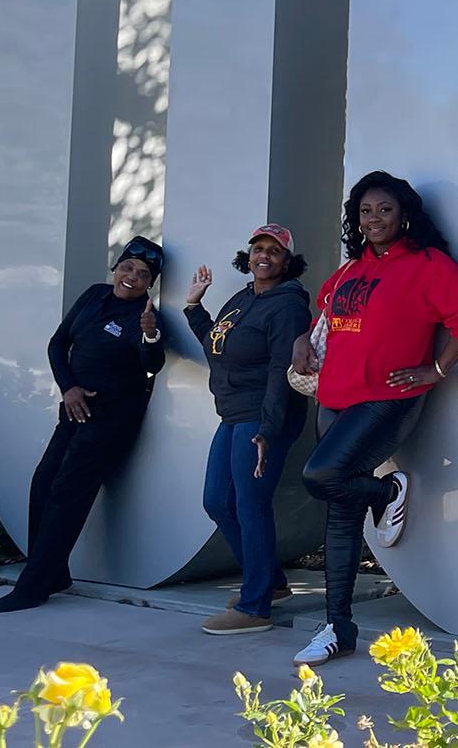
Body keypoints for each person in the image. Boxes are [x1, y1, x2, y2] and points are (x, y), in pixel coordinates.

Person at [289, 171, 458, 666]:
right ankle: (338, 628)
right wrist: (300, 342)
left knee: (321, 475)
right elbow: (326, 312)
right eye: (364, 211)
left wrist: (436, 368)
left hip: (386, 398)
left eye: (384, 209)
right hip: (334, 397)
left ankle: (387, 491)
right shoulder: (353, 268)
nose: (373, 219)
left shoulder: (426, 265)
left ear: (404, 215)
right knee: (339, 514)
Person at [0, 236, 166, 614]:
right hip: (74, 407)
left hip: (112, 418)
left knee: (67, 493)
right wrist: (69, 389)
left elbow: (153, 363)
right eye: (127, 267)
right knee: (43, 481)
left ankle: (32, 588)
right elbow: (57, 343)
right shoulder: (94, 296)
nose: (132, 277)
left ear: (150, 284)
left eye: (143, 275)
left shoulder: (145, 317)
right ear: (116, 268)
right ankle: (53, 572)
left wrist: (149, 333)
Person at [184, 223, 313, 636]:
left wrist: (269, 431)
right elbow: (217, 346)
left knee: (249, 503)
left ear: (287, 261)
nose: (264, 256)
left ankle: (254, 605)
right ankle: (270, 581)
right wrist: (194, 308)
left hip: (263, 415)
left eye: (274, 251)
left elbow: (281, 370)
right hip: (235, 413)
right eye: (258, 248)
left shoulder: (288, 306)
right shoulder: (242, 300)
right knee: (217, 501)